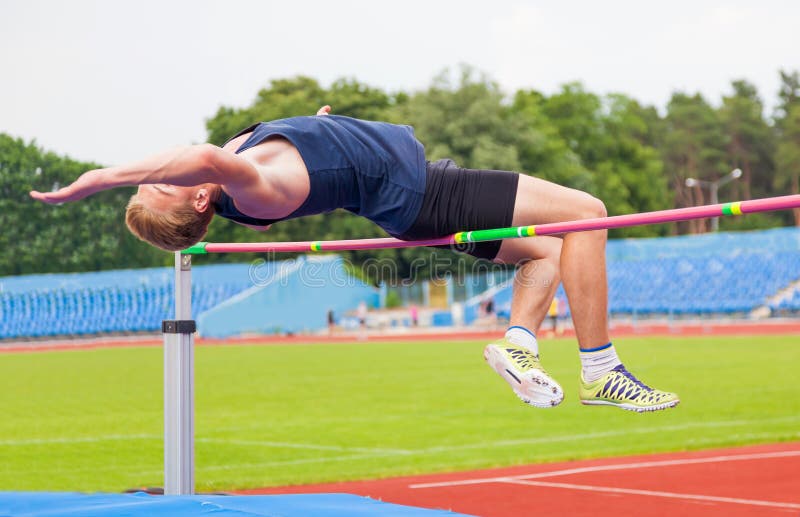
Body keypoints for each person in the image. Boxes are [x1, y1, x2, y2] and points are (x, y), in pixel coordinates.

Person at [30, 106, 678, 412]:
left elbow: (265, 149)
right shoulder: (245, 183)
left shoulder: (242, 163)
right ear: (199, 193)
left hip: (415, 197)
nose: (156, 172)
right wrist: (101, 176)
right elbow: (196, 153)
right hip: (426, 194)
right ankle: (602, 369)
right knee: (590, 212)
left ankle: (517, 344)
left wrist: (320, 127)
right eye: (158, 184)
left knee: (547, 252)